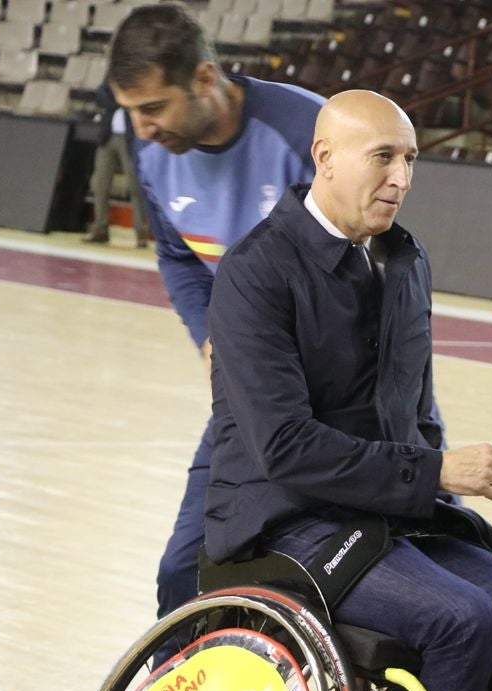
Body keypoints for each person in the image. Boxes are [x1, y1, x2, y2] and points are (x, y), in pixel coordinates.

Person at [205, 90, 492, 691]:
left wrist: (440, 495)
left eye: (410, 160)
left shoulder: (404, 261)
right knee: (461, 620)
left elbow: (417, 412)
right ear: (326, 158)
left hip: (389, 514)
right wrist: (433, 474)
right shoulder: (257, 271)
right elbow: (284, 447)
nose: (400, 178)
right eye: (382, 158)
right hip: (284, 521)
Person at [104, 3, 326, 618]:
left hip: (353, 391)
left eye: (153, 108)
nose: (143, 128)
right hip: (254, 393)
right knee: (183, 571)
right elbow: (177, 256)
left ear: (205, 79)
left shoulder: (307, 131)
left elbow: (375, 273)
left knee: (437, 551)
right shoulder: (149, 147)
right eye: (131, 113)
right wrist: (211, 334)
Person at [82, 83, 149, 247]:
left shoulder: (136, 73)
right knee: (100, 184)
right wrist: (121, 101)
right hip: (108, 136)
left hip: (130, 138)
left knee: (135, 186)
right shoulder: (113, 73)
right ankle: (100, 229)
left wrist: (123, 100)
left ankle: (141, 233)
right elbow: (100, 94)